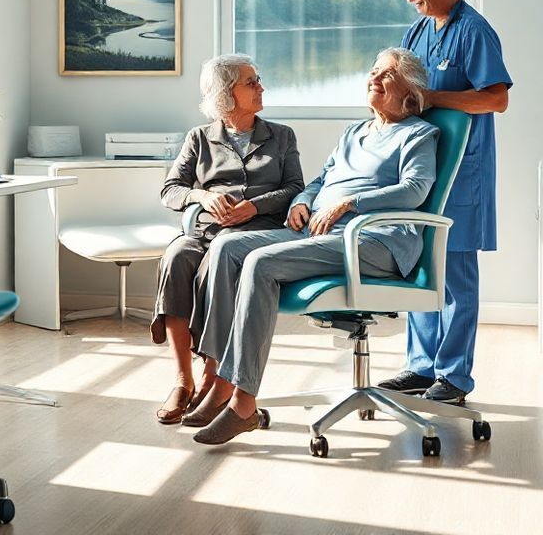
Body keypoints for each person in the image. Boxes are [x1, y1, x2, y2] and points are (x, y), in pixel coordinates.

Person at [187, 48, 438, 445]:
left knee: (260, 263)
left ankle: (243, 404)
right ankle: (220, 380)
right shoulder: (355, 132)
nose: (373, 78)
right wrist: (303, 200)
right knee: (227, 248)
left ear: (409, 89)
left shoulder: (418, 134)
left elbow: (415, 190)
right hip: (321, 233)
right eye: (372, 70)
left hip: (371, 242)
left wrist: (349, 204)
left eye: (386, 74)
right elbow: (321, 179)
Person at [375, 0, 512, 406]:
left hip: (462, 171)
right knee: (419, 263)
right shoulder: (417, 30)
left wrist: (436, 99)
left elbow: (495, 99)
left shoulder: (475, 31)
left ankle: (453, 377)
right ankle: (420, 367)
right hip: (420, 168)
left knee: (454, 273)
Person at [152, 54, 303, 425]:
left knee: (221, 255)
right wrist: (202, 196)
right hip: (205, 231)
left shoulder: (281, 136)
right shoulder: (199, 138)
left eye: (258, 80)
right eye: (251, 82)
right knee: (176, 258)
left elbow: (295, 189)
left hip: (254, 233)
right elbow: (170, 190)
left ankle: (213, 377)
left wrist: (253, 207)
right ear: (226, 93)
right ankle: (183, 380)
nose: (261, 87)